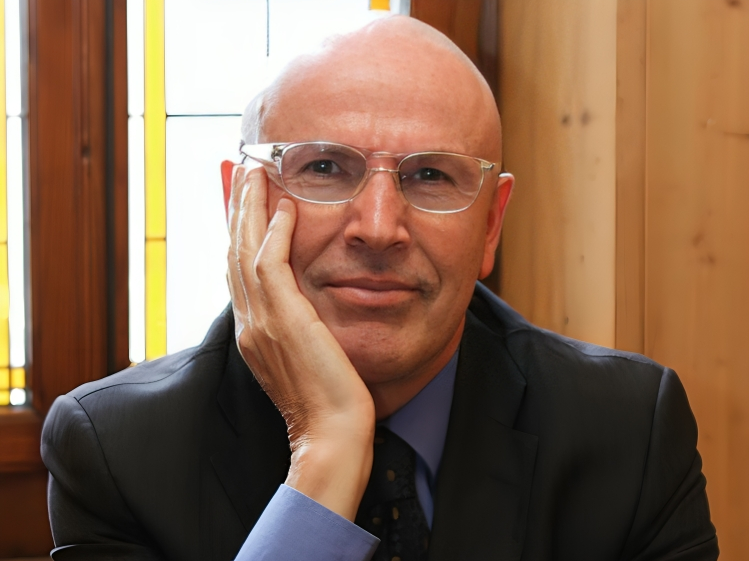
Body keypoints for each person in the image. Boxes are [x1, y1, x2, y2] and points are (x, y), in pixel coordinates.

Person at [41, 15, 718, 561]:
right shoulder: (114, 450)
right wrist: (326, 448)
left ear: (491, 224)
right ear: (239, 204)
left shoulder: (630, 431)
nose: (377, 227)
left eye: (430, 176)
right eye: (325, 167)